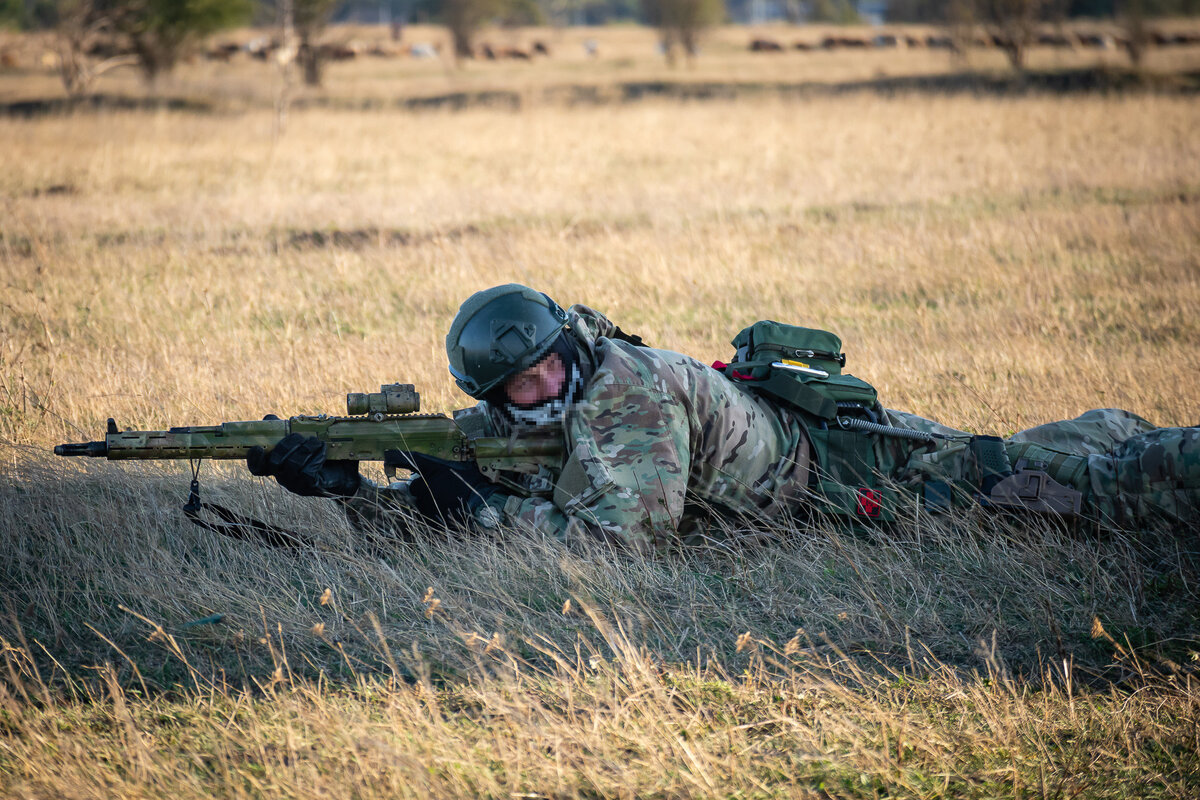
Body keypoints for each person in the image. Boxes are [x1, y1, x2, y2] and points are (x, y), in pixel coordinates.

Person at [248, 284, 1200, 549]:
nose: (541, 391)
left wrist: (476, 512)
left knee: (1096, 493)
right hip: (823, 465)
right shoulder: (559, 392)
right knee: (1069, 450)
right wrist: (354, 493)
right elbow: (488, 470)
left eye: (546, 372)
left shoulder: (623, 394)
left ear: (564, 349)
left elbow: (624, 542)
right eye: (520, 389)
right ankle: (1110, 424)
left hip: (860, 482)